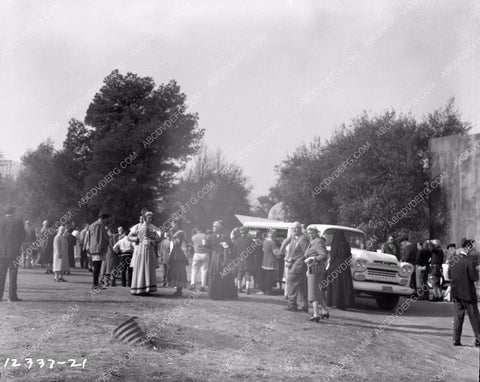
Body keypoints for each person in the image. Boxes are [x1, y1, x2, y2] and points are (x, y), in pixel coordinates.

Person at [450, 239, 480, 347]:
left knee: (458, 317)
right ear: (468, 248)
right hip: (468, 293)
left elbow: (450, 276)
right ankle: (478, 339)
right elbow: (474, 277)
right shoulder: (470, 261)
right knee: (474, 317)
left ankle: (456, 340)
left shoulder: (453, 260)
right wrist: (476, 271)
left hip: (456, 293)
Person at [129, 211, 160, 295]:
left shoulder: (153, 227)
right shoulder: (137, 227)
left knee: (147, 267)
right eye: (148, 218)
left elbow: (158, 238)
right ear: (144, 218)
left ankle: (147, 287)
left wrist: (153, 240)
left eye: (151, 218)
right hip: (140, 248)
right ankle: (139, 287)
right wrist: (136, 239)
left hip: (149, 249)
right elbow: (129, 237)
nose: (150, 219)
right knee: (140, 266)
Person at [0, 206, 26, 301]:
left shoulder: (1, 221)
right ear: (13, 212)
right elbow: (23, 235)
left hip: (1, 251)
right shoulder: (18, 221)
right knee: (13, 272)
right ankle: (12, 295)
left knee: (1, 273)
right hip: (14, 251)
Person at [207, 220, 237, 300]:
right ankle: (215, 294)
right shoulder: (211, 236)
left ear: (219, 228)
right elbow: (209, 246)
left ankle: (225, 294)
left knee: (224, 274)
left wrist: (226, 245)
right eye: (213, 226)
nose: (213, 228)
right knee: (215, 274)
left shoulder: (225, 236)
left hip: (223, 257)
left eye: (215, 226)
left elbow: (230, 245)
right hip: (215, 257)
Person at [304, 226, 329, 321]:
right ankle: (324, 311)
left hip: (315, 269)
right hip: (314, 268)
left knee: (313, 292)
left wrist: (312, 258)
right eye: (309, 233)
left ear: (317, 233)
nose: (310, 235)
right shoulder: (313, 241)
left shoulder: (318, 242)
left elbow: (323, 255)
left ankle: (316, 314)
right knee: (317, 291)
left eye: (312, 233)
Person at [285, 221, 309, 312]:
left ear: (300, 229)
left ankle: (292, 304)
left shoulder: (302, 239)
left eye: (296, 228)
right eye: (292, 228)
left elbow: (306, 253)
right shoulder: (296, 238)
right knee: (301, 286)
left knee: (291, 282)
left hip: (298, 265)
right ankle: (303, 306)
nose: (294, 230)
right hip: (296, 264)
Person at [327, 231, 354, 310]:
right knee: (344, 284)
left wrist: (330, 266)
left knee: (336, 285)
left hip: (335, 265)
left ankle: (334, 301)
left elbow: (333, 255)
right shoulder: (346, 244)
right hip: (345, 266)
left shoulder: (335, 244)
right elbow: (349, 255)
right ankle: (344, 303)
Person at [86, 212, 110, 290]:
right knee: (97, 267)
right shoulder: (99, 225)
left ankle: (96, 284)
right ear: (103, 218)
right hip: (98, 248)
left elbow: (90, 237)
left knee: (96, 267)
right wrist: (101, 247)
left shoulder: (92, 225)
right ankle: (95, 284)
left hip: (94, 248)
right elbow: (99, 237)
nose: (107, 221)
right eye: (106, 219)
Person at [233, 226, 256, 295]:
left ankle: (239, 288)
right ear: (247, 232)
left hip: (239, 259)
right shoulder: (250, 240)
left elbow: (234, 251)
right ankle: (247, 288)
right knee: (247, 274)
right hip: (248, 260)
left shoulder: (237, 240)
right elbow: (253, 251)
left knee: (239, 274)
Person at [168, 229, 189, 297]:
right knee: (179, 273)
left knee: (177, 273)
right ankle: (179, 290)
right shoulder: (181, 241)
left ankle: (178, 290)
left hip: (176, 258)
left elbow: (172, 250)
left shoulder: (175, 240)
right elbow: (184, 250)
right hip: (179, 258)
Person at [258, 229, 279, 296]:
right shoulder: (272, 242)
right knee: (270, 277)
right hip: (271, 262)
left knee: (265, 276)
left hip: (265, 261)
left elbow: (263, 250)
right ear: (273, 235)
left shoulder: (265, 241)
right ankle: (268, 291)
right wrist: (280, 251)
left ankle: (263, 289)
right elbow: (275, 252)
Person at [190, 227, 211, 292]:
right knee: (204, 271)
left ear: (197, 230)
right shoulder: (206, 236)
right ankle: (203, 286)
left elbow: (193, 244)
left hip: (197, 254)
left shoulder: (194, 237)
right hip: (205, 254)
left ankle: (193, 284)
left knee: (194, 270)